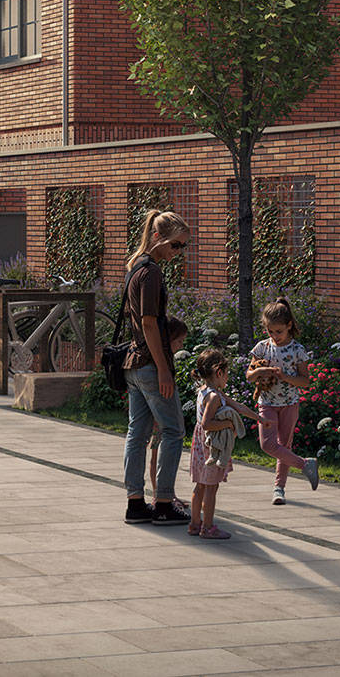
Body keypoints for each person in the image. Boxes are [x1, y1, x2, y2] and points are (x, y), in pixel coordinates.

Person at [122, 209, 193, 526]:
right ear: (156, 237)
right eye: (176, 245)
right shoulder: (151, 273)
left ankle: (135, 504)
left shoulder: (134, 267)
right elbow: (149, 323)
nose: (178, 253)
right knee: (174, 432)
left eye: (183, 247)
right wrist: (165, 369)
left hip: (134, 365)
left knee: (137, 434)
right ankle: (164, 503)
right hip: (150, 366)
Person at [246, 298, 320, 504]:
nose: (274, 336)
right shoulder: (261, 348)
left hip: (289, 403)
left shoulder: (298, 350)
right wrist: (260, 370)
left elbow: (305, 381)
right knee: (268, 444)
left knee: (284, 446)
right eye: (270, 332)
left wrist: (286, 376)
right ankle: (305, 464)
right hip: (267, 402)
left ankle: (279, 488)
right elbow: (249, 376)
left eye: (279, 331)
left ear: (289, 325)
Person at [187, 348, 258, 540]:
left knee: (200, 485)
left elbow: (238, 406)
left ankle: (195, 523)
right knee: (211, 486)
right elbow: (207, 423)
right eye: (226, 374)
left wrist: (258, 418)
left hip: (199, 444)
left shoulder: (205, 390)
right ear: (219, 373)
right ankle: (208, 527)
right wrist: (228, 423)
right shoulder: (215, 396)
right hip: (212, 446)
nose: (227, 377)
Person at [148, 316, 190, 511]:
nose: (181, 346)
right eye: (179, 341)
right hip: (159, 417)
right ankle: (160, 495)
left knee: (160, 453)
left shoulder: (166, 359)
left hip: (161, 415)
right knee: (156, 453)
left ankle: (166, 494)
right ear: (169, 339)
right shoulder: (161, 360)